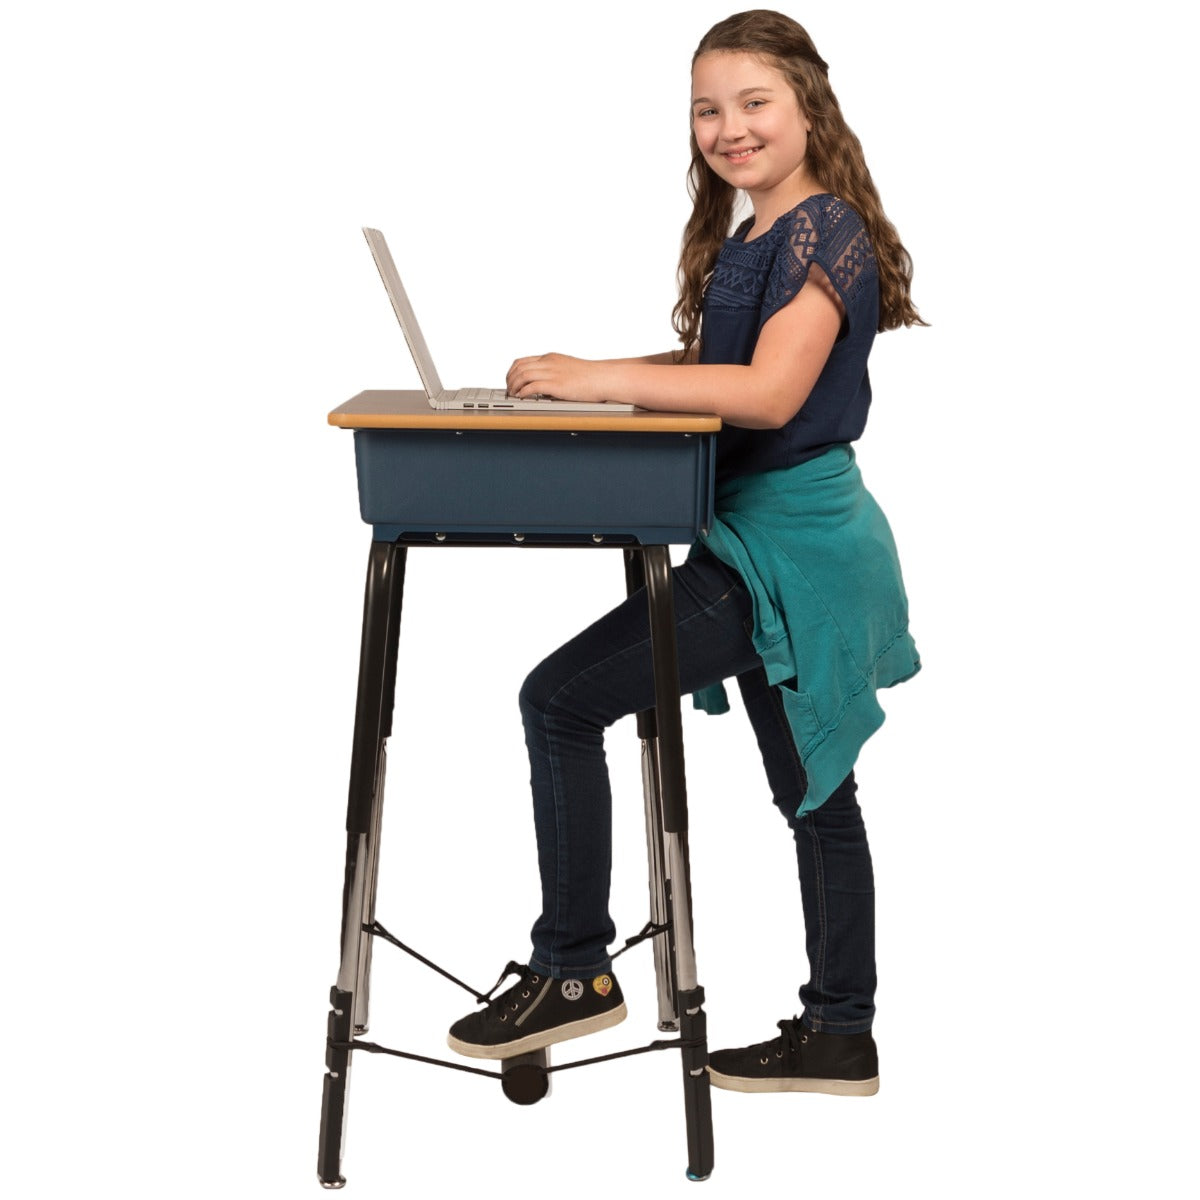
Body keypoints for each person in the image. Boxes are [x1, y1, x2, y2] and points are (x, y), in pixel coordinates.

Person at [446, 9, 922, 1097]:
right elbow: (715, 360)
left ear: (811, 106)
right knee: (813, 793)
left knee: (561, 701)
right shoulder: (754, 233)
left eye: (754, 102)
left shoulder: (824, 230)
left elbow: (767, 390)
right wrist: (582, 368)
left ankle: (575, 971)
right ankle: (839, 1033)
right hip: (756, 536)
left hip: (794, 551)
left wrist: (592, 379)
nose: (729, 127)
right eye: (708, 108)